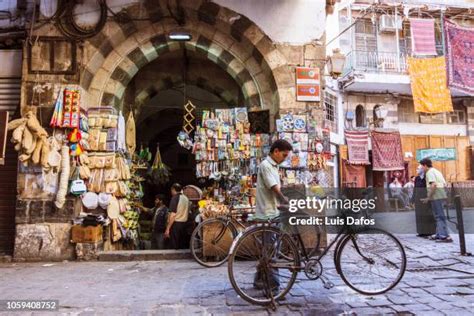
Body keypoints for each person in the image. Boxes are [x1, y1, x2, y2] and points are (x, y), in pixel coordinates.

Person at [254, 139, 292, 293]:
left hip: (272, 211)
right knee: (271, 253)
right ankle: (273, 289)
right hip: (267, 214)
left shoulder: (274, 166)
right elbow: (274, 188)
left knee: (267, 251)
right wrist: (284, 199)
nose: (284, 158)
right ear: (275, 151)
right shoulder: (266, 166)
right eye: (283, 155)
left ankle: (259, 281)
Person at [419, 158, 452, 242]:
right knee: (438, 216)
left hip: (436, 196)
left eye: (421, 166)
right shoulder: (437, 171)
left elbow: (433, 185)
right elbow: (444, 184)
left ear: (425, 165)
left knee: (439, 216)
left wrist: (428, 197)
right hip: (440, 195)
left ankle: (443, 235)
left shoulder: (429, 173)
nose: (421, 168)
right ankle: (439, 233)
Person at [412, 165, 436, 237]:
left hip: (425, 198)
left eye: (418, 168)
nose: (416, 170)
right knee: (419, 215)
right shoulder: (417, 178)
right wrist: (413, 199)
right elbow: (415, 189)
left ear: (422, 170)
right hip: (418, 198)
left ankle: (430, 231)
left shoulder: (427, 177)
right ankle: (421, 232)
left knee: (427, 215)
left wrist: (429, 197)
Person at [164, 183, 190, 249]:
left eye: (171, 190)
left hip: (176, 224)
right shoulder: (186, 198)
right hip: (184, 224)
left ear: (173, 189)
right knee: (182, 245)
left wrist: (168, 228)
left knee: (174, 245)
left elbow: (173, 214)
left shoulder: (175, 198)